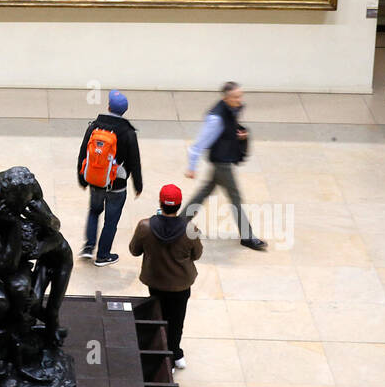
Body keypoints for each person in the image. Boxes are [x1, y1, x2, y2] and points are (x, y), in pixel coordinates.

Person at [182, 81, 266, 250]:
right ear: (226, 97)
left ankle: (179, 223)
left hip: (223, 159)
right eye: (236, 97)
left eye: (240, 96)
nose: (239, 100)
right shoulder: (216, 118)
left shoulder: (230, 109)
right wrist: (192, 167)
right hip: (222, 163)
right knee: (235, 198)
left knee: (203, 193)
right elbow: (199, 144)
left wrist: (240, 135)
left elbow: (229, 128)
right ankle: (247, 236)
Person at [129, 184, 201, 370]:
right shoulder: (189, 229)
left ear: (161, 202)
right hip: (181, 285)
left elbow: (134, 250)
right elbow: (197, 254)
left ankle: (160, 353)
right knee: (177, 320)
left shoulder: (145, 226)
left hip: (156, 281)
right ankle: (174, 354)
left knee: (158, 315)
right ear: (179, 205)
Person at [76, 89, 143, 266]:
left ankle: (89, 247)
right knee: (111, 221)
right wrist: (138, 185)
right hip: (117, 185)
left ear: (108, 106)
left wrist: (82, 177)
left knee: (94, 211)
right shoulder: (128, 133)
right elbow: (134, 161)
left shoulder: (94, 127)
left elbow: (83, 153)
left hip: (96, 181)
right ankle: (103, 255)